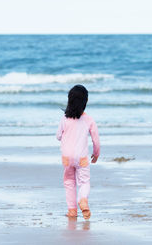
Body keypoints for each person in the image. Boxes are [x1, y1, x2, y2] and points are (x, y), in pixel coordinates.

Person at [56, 85, 100, 220]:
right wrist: (96, 154)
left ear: (69, 100)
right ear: (85, 102)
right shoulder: (89, 119)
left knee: (69, 182)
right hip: (82, 157)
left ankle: (72, 211)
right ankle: (83, 200)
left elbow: (58, 136)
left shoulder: (65, 118)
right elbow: (95, 140)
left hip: (67, 157)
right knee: (84, 182)